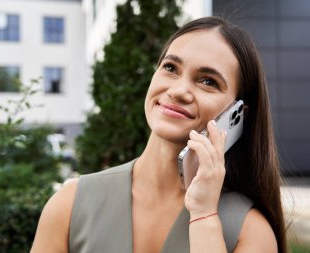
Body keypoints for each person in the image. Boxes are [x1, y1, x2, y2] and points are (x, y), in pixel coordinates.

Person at [31, 16, 287, 253]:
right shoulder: (69, 204)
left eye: (208, 81)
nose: (178, 90)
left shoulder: (251, 231)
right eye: (171, 67)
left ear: (237, 114)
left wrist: (204, 215)